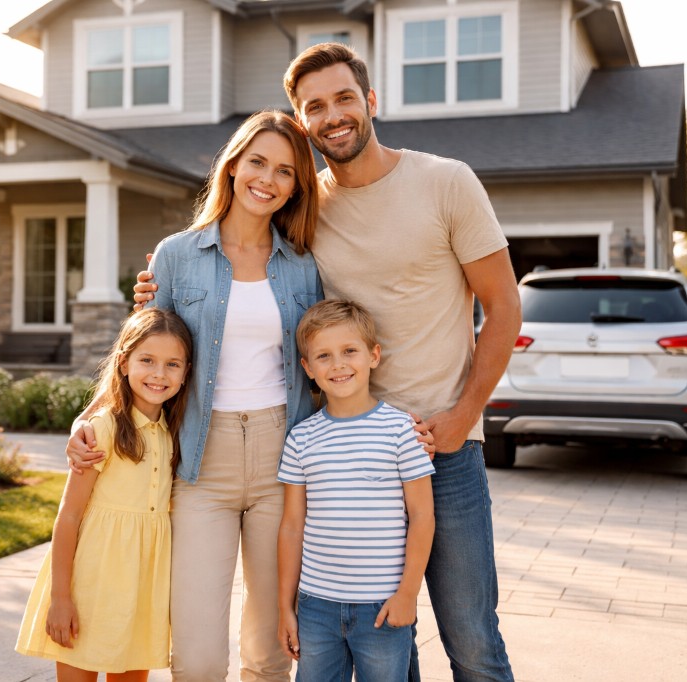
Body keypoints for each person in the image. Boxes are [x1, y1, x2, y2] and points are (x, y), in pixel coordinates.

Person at [136, 44, 522, 681]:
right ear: (302, 120)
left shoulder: (445, 181)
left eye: (344, 98)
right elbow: (225, 268)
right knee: (387, 639)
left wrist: (462, 417)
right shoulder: (302, 209)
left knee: (473, 638)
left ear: (370, 101)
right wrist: (155, 292)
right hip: (344, 454)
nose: (333, 114)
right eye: (314, 106)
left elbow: (504, 308)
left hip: (439, 445)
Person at [68, 110, 323, 682]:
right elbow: (139, 353)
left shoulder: (305, 265)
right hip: (199, 461)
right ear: (232, 166)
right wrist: (88, 417)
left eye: (285, 170)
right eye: (257, 161)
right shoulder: (175, 255)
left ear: (296, 185)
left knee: (271, 652)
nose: (268, 178)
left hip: (284, 458)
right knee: (199, 657)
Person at [15, 308, 192, 682]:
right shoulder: (103, 428)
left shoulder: (173, 432)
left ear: (185, 372)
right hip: (90, 585)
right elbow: (69, 515)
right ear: (124, 363)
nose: (159, 374)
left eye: (172, 364)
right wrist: (61, 597)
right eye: (147, 360)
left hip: (142, 589)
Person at [277, 300, 435, 682]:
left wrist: (408, 595)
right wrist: (286, 605)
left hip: (382, 608)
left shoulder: (401, 431)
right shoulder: (301, 438)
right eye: (324, 356)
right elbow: (292, 526)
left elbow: (423, 517)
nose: (338, 364)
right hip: (317, 607)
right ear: (308, 368)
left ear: (373, 356)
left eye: (350, 351)